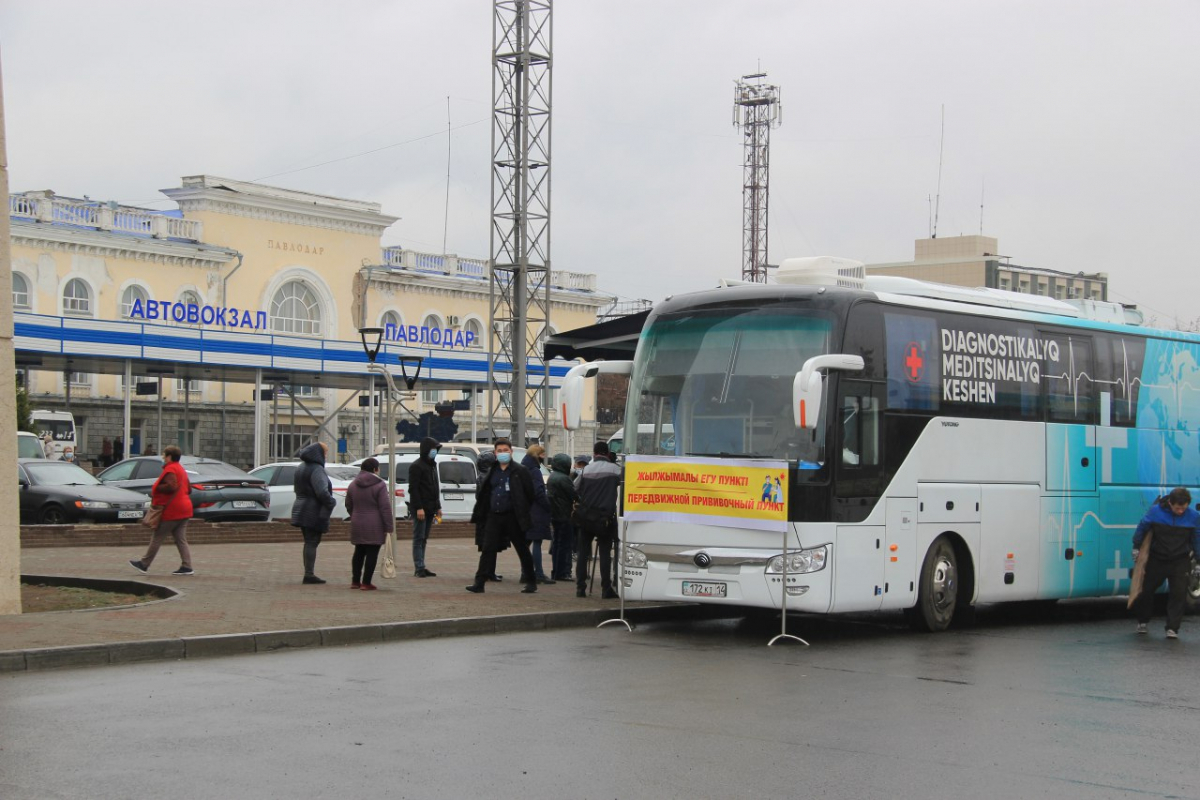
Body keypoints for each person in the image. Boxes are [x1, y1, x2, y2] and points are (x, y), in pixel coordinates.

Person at [465, 438, 538, 595]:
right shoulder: (493, 471)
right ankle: (479, 582)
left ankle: (531, 581)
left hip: (513, 516)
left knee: (522, 548)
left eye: (506, 450)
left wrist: (522, 511)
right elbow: (487, 492)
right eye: (500, 451)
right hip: (494, 516)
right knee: (487, 548)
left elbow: (530, 494)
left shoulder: (520, 471)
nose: (503, 453)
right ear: (495, 453)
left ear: (511, 452)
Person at [1131, 487, 1200, 638]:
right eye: (1177, 508)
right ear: (1170, 503)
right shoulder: (1156, 512)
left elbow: (1197, 539)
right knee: (1146, 590)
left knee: (1179, 594)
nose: (1181, 511)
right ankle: (1142, 621)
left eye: (1184, 508)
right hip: (1157, 558)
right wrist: (1136, 547)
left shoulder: (1193, 516)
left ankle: (1172, 628)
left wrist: (1199, 561)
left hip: (1180, 560)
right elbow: (1142, 528)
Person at [129, 444, 194, 576]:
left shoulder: (170, 469)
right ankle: (187, 566)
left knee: (157, 537)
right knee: (181, 539)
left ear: (169, 456)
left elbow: (171, 486)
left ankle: (144, 564)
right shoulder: (181, 469)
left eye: (164, 454)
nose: (163, 457)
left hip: (172, 510)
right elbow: (188, 488)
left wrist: (157, 488)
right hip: (185, 508)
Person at [573, 441, 622, 599]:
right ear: (608, 453)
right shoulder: (616, 470)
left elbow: (575, 488)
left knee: (583, 553)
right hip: (605, 518)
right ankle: (606, 588)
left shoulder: (585, 470)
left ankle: (580, 588)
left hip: (586, 517)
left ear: (594, 454)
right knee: (605, 553)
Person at [344, 457, 393, 590]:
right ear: (375, 469)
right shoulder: (380, 485)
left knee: (358, 551)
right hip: (374, 524)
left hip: (357, 521)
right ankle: (366, 582)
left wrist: (354, 514)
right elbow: (385, 507)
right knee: (372, 552)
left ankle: (355, 581)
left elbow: (348, 503)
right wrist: (389, 526)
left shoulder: (353, 484)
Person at [291, 441, 336, 585]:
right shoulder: (317, 469)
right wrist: (331, 502)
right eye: (325, 453)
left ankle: (308, 572)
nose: (326, 456)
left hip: (300, 507)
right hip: (313, 510)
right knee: (312, 541)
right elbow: (322, 491)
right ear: (319, 454)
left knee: (308, 541)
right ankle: (309, 574)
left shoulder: (301, 467)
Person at [406, 437, 441, 577]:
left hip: (431, 507)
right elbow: (413, 489)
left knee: (424, 538)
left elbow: (435, 488)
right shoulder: (416, 466)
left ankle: (422, 565)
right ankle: (419, 567)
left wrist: (438, 507)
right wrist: (418, 507)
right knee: (418, 537)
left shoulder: (433, 465)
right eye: (433, 449)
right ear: (426, 449)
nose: (435, 452)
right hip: (420, 509)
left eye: (436, 449)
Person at [521, 444, 555, 584]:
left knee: (526, 543)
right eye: (542, 454)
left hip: (525, 509)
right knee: (537, 541)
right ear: (537, 455)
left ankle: (525, 573)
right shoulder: (535, 470)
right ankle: (538, 573)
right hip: (536, 511)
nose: (544, 457)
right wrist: (548, 506)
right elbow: (538, 492)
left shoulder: (522, 467)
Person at [472, 451, 505, 582]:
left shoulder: (484, 475)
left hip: (486, 515)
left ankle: (489, 571)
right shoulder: (486, 476)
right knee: (490, 546)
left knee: (491, 546)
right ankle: (487, 572)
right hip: (488, 515)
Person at [547, 452, 578, 582]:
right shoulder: (564, 479)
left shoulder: (552, 476)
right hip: (565, 515)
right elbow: (573, 494)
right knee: (565, 545)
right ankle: (563, 572)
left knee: (557, 544)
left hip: (555, 514)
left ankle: (556, 571)